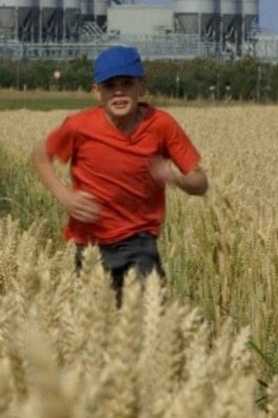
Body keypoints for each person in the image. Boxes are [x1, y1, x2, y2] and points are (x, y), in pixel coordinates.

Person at [32, 45, 208, 300]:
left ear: (141, 87)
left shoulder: (162, 125)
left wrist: (175, 178)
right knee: (93, 325)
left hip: (139, 241)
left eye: (127, 83)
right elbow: (40, 156)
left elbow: (201, 182)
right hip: (89, 242)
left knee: (147, 318)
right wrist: (65, 197)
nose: (118, 92)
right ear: (96, 92)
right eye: (109, 85)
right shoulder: (79, 126)